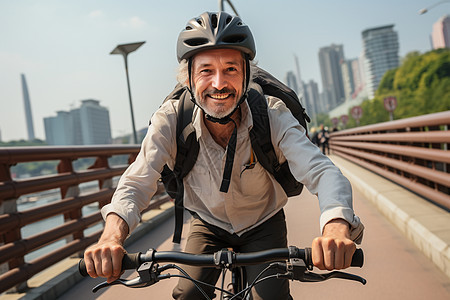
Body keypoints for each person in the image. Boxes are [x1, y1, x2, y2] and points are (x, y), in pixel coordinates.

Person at [83, 12, 364, 300]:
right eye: (206, 70)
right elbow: (137, 182)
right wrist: (111, 237)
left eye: (230, 69)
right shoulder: (170, 120)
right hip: (207, 223)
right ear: (189, 78)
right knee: (189, 294)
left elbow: (323, 172)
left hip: (263, 221)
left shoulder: (272, 115)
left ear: (246, 74)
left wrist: (335, 229)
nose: (219, 83)